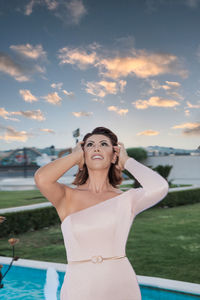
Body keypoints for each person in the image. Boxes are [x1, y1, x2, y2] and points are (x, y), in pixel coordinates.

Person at [34, 126, 169, 300]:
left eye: (103, 144)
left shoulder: (128, 199)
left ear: (114, 155)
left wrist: (126, 160)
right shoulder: (66, 196)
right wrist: (75, 156)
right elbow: (42, 178)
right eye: (89, 145)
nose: (96, 148)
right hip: (79, 285)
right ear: (83, 154)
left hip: (120, 283)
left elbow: (160, 187)